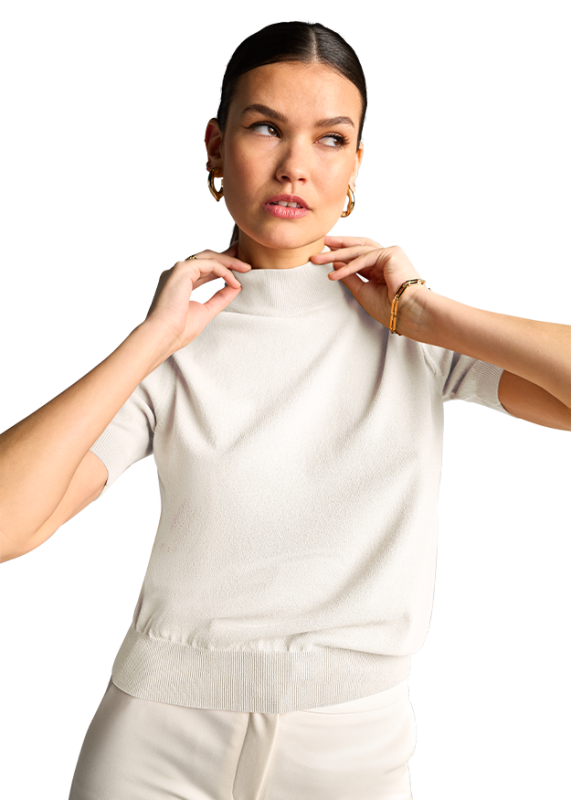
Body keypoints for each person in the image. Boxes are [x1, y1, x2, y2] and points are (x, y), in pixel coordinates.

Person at [1, 18, 569, 800]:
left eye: (329, 139)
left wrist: (430, 313)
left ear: (356, 162)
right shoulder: (176, 338)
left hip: (350, 744)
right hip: (154, 737)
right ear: (214, 147)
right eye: (265, 128)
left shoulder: (410, 331)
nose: (295, 165)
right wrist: (151, 340)